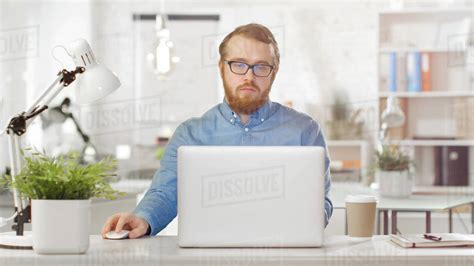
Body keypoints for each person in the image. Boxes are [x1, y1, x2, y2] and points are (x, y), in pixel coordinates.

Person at [102, 23, 333, 239]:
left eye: (261, 66)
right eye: (239, 64)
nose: (249, 76)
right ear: (222, 67)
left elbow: (322, 204)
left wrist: (304, 223)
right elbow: (164, 194)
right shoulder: (190, 134)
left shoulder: (305, 131)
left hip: (285, 254)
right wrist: (142, 218)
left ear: (274, 72)